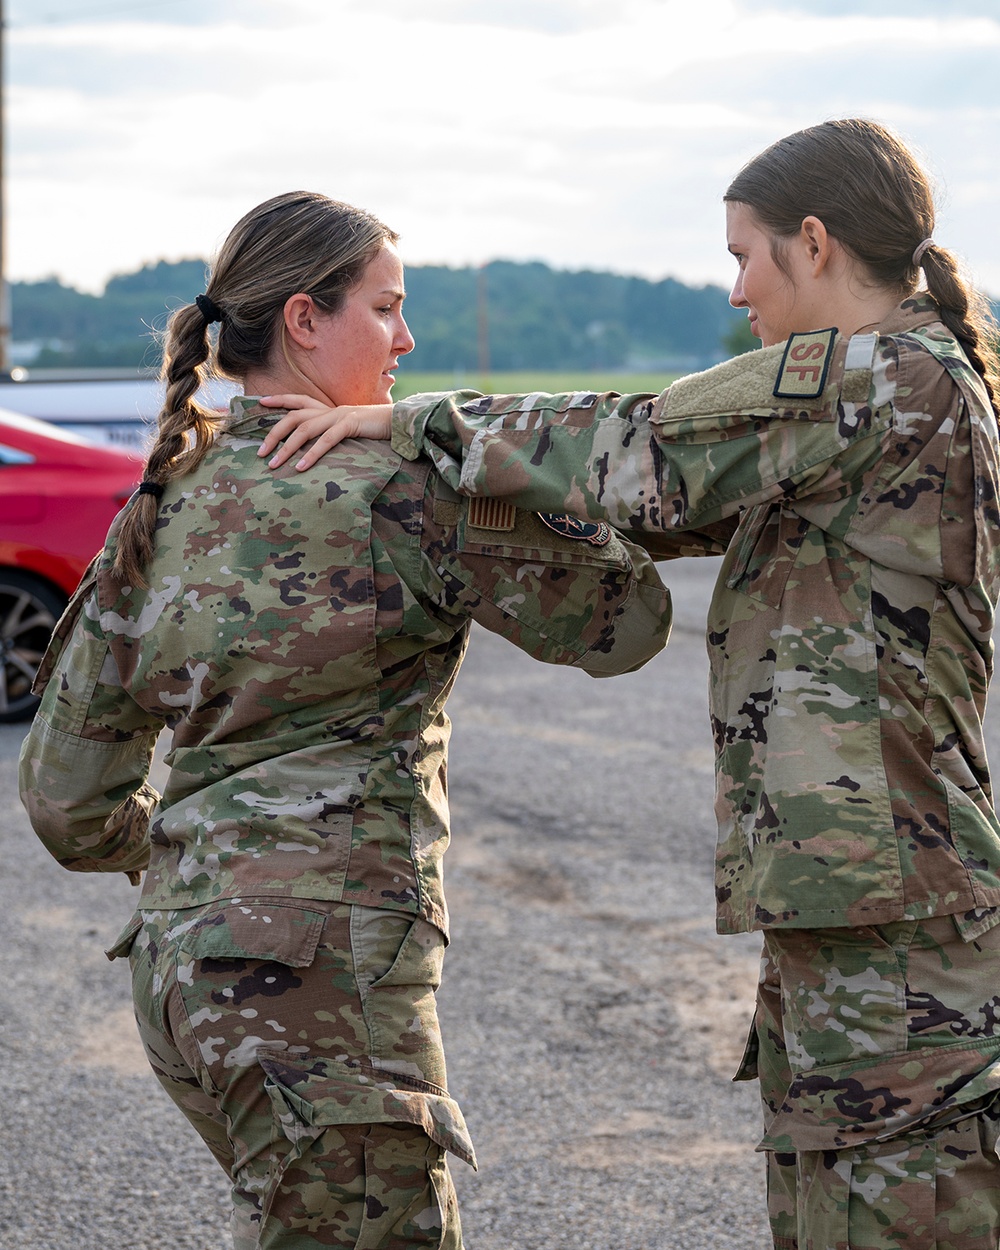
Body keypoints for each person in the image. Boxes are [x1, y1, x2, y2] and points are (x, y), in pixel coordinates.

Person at [255, 121, 1000, 1250]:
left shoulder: (881, 380)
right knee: (830, 1204)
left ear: (813, 242)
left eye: (745, 255)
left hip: (900, 924)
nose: (738, 289)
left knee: (902, 1214)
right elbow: (644, 505)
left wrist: (405, 422)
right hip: (854, 908)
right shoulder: (853, 412)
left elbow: (636, 443)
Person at [17, 190, 678, 1250]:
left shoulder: (162, 499)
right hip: (315, 987)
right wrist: (461, 439)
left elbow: (64, 801)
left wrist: (215, 864)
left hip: (184, 975)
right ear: (302, 320)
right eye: (386, 306)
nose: (407, 338)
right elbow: (627, 619)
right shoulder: (402, 484)